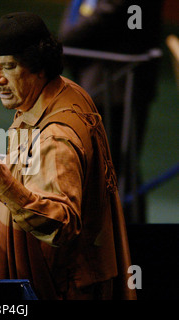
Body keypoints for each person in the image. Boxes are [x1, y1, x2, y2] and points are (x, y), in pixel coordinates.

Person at [0, 12, 136, 300]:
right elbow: (36, 175)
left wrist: (3, 183)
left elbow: (62, 224)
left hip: (57, 290)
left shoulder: (56, 137)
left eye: (9, 66)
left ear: (39, 66)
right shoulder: (61, 91)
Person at [59, 0, 164, 221]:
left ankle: (123, 234)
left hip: (117, 87)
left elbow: (107, 17)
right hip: (97, 82)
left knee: (115, 166)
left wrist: (59, 46)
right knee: (102, 165)